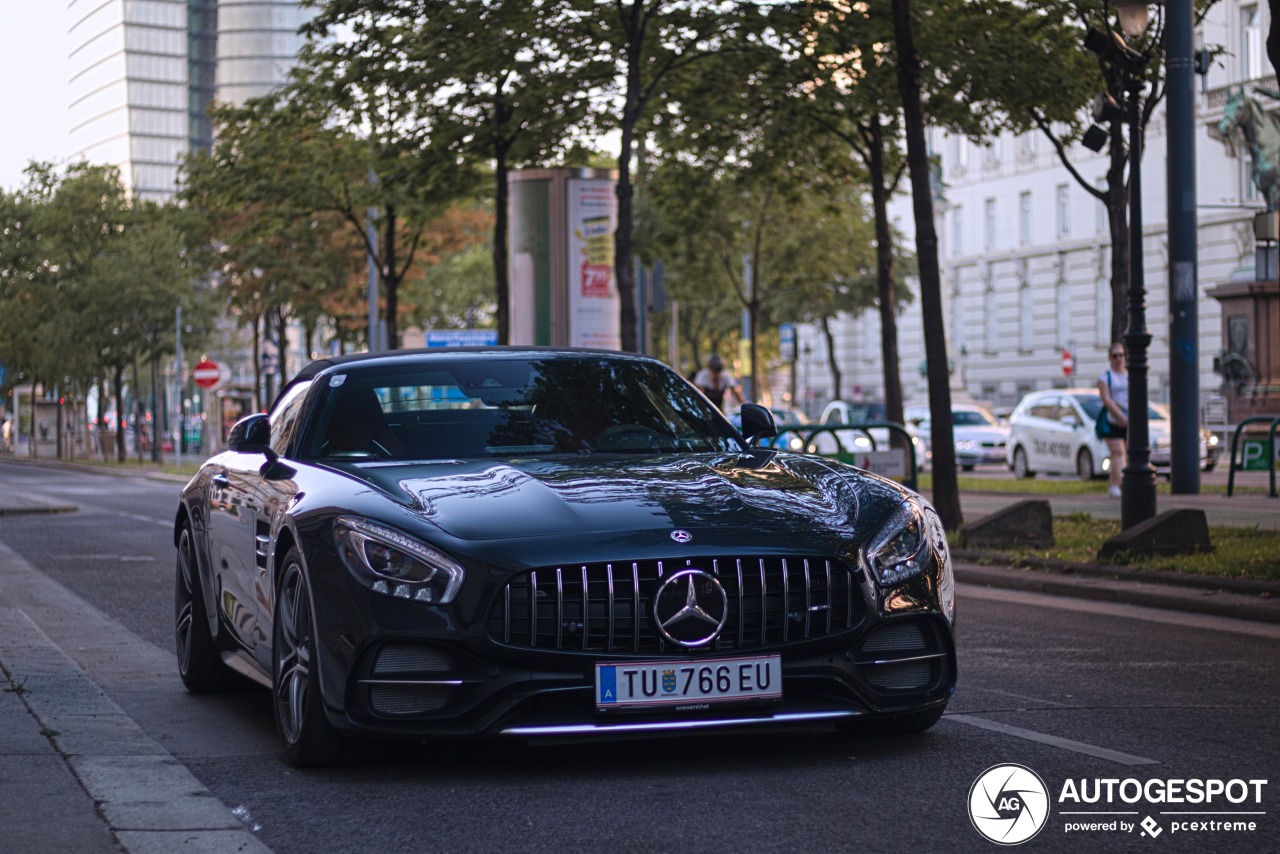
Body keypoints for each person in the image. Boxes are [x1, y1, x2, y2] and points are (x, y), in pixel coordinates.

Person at [1097, 343, 1129, 498]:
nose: (1118, 358)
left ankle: (1113, 485)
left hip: (1129, 420)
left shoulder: (1130, 375)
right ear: (1110, 358)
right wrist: (1120, 416)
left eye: (1121, 355)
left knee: (1127, 453)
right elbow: (1106, 399)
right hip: (1113, 420)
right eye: (1115, 355)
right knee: (1118, 452)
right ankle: (1120, 484)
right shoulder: (1105, 377)